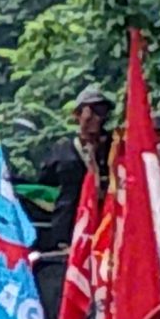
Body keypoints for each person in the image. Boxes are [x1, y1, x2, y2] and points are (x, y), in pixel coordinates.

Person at [38, 86, 112, 244]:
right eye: (90, 111)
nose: (96, 118)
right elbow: (44, 181)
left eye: (101, 111)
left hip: (106, 224)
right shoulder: (63, 149)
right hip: (69, 227)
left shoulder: (115, 147)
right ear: (77, 114)